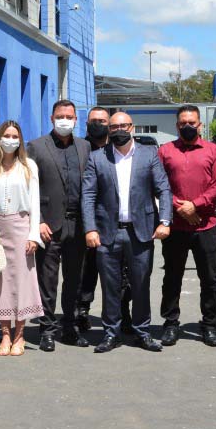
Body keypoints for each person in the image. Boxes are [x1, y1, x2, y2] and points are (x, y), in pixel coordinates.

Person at [83, 111, 172, 353]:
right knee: (110, 286)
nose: (119, 130)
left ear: (132, 127)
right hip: (106, 233)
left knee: (141, 285)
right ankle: (111, 333)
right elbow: (88, 195)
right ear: (109, 130)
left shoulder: (149, 154)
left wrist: (165, 221)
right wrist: (90, 228)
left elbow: (163, 189)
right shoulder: (97, 157)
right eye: (114, 127)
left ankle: (142, 332)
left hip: (140, 232)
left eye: (123, 126)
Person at [157, 105, 216, 347]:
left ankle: (209, 325)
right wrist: (181, 208)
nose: (187, 126)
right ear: (177, 125)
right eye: (183, 123)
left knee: (209, 278)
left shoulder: (214, 151)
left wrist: (195, 205)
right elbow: (159, 184)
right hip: (175, 227)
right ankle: (170, 323)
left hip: (205, 226)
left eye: (192, 123)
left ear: (200, 125)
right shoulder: (165, 151)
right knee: (172, 277)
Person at [27, 100, 91, 350]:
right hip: (49, 225)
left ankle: (70, 327)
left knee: (74, 280)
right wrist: (38, 221)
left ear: (76, 119)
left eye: (69, 116)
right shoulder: (36, 146)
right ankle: (47, 330)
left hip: (78, 225)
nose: (65, 120)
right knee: (47, 281)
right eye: (60, 116)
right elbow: (28, 187)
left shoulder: (84, 147)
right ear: (52, 118)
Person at [0, 121, 44, 355]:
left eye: (14, 136)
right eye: (6, 135)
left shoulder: (28, 166)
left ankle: (20, 335)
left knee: (22, 282)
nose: (10, 140)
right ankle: (5, 334)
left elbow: (35, 202)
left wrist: (33, 235)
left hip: (21, 227)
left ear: (20, 140)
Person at [77, 105, 117, 330]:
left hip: (114, 220)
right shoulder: (80, 148)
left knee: (118, 272)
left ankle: (121, 313)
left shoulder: (117, 148)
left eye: (102, 121)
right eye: (94, 121)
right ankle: (82, 310)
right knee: (86, 270)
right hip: (87, 220)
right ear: (86, 124)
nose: (98, 125)